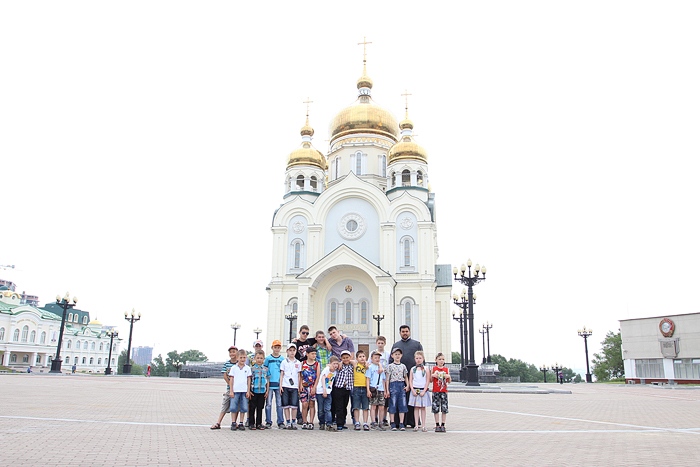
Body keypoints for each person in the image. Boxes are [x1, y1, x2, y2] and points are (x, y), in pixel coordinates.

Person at [391, 325, 423, 427]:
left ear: (409, 332)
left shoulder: (416, 344)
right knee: (400, 400)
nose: (405, 333)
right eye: (403, 331)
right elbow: (391, 361)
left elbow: (421, 359)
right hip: (399, 378)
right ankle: (400, 422)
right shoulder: (396, 345)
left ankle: (413, 421)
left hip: (414, 377)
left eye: (406, 331)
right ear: (400, 333)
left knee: (412, 399)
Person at [210, 345, 238, 430]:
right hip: (229, 388)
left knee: (236, 406)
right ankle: (218, 422)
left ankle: (234, 422)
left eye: (234, 352)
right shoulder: (227, 363)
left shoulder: (239, 363)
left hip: (238, 388)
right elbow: (225, 375)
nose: (232, 354)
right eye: (230, 352)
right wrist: (230, 384)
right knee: (225, 405)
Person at [263, 340, 285, 429]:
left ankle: (280, 421)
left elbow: (283, 372)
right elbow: (265, 370)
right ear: (272, 348)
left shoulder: (282, 359)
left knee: (279, 404)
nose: (277, 349)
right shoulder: (268, 359)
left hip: (278, 384)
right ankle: (268, 421)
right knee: (268, 404)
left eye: (278, 347)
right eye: (275, 347)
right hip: (270, 384)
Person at [279, 343, 301, 430]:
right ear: (287, 351)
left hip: (294, 386)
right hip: (285, 385)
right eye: (290, 350)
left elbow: (299, 375)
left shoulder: (298, 363)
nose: (292, 352)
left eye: (293, 350)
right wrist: (280, 385)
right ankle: (288, 422)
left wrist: (299, 386)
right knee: (286, 405)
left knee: (294, 405)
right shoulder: (284, 362)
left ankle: (293, 421)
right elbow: (282, 374)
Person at [228, 349, 251, 431]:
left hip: (244, 391)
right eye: (241, 357)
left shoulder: (247, 368)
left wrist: (248, 390)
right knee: (233, 407)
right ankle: (233, 422)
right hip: (235, 390)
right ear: (237, 358)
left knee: (244, 407)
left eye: (244, 357)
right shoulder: (233, 368)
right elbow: (231, 380)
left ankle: (241, 422)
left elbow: (248, 380)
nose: (242, 359)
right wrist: (231, 390)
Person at [386, 347, 409, 431]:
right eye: (395, 354)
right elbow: (387, 379)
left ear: (401, 355)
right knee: (392, 404)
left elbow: (405, 376)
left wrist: (408, 385)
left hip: (401, 385)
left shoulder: (403, 366)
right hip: (393, 385)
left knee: (402, 404)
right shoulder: (390, 366)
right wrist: (387, 390)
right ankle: (392, 422)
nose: (397, 356)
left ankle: (401, 423)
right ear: (392, 356)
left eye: (399, 354)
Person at [408, 350, 431, 432]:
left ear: (423, 359)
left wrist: (424, 390)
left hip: (423, 390)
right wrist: (412, 390)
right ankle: (416, 425)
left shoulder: (426, 369)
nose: (418, 360)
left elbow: (428, 380)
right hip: (415, 389)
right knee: (416, 408)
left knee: (423, 408)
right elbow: (410, 380)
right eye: (417, 358)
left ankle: (424, 425)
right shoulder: (413, 369)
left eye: (420, 358)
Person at [332, 349, 354, 431]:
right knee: (339, 406)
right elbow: (330, 365)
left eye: (347, 357)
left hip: (347, 388)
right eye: (344, 358)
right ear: (341, 358)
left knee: (345, 406)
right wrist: (340, 363)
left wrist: (351, 361)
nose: (345, 359)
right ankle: (339, 423)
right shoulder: (339, 366)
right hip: (339, 388)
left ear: (350, 357)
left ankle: (343, 421)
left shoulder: (352, 366)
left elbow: (356, 362)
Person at [299, 347, 320, 429]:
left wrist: (315, 387)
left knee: (312, 404)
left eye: (315, 354)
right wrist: (300, 385)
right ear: (307, 354)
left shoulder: (317, 364)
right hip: (304, 386)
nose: (314, 355)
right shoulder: (303, 363)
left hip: (312, 386)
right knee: (304, 404)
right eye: (312, 354)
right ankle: (304, 421)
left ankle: (311, 422)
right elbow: (300, 375)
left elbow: (318, 376)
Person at [366, 350, 387, 431]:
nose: (377, 359)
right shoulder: (370, 367)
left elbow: (384, 380)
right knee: (373, 406)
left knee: (381, 406)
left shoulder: (381, 368)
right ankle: (373, 422)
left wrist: (385, 390)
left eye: (378, 358)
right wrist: (368, 390)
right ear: (372, 358)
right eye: (375, 358)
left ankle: (381, 422)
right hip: (373, 388)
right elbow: (368, 379)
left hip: (381, 389)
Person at [316, 355, 339, 430]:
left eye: (337, 364)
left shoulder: (335, 372)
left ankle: (329, 423)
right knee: (321, 409)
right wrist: (324, 390)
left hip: (329, 392)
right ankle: (322, 423)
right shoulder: (326, 369)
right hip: (321, 391)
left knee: (328, 408)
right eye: (334, 363)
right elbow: (323, 379)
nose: (335, 365)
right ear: (330, 363)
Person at [249, 349, 269, 430]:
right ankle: (251, 423)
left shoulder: (265, 369)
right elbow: (249, 380)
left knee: (260, 408)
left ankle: (259, 423)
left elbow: (267, 380)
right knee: (252, 408)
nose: (259, 360)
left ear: (264, 359)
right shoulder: (252, 369)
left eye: (261, 358)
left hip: (262, 391)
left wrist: (267, 391)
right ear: (255, 358)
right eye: (258, 358)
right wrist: (249, 390)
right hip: (254, 391)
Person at [431, 352, 451, 432]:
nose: (441, 361)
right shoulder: (434, 369)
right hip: (436, 390)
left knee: (444, 408)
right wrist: (433, 375)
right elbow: (430, 380)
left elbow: (449, 381)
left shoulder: (446, 369)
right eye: (439, 359)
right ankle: (437, 424)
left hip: (444, 391)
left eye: (443, 359)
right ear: (436, 360)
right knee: (436, 408)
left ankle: (443, 424)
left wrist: (448, 376)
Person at [351, 349, 370, 431]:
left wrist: (367, 363)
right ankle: (357, 422)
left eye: (363, 356)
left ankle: (365, 423)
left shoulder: (367, 366)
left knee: (365, 407)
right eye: (360, 357)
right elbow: (349, 360)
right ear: (357, 358)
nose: (362, 358)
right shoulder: (355, 364)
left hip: (365, 388)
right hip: (356, 387)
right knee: (356, 407)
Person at [374, 335, 390, 427]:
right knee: (375, 402)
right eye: (379, 343)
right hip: (376, 379)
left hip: (384, 378)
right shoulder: (373, 353)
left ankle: (384, 418)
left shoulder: (387, 354)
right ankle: (375, 418)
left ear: (384, 344)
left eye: (382, 343)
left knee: (384, 402)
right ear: (376, 343)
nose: (380, 344)